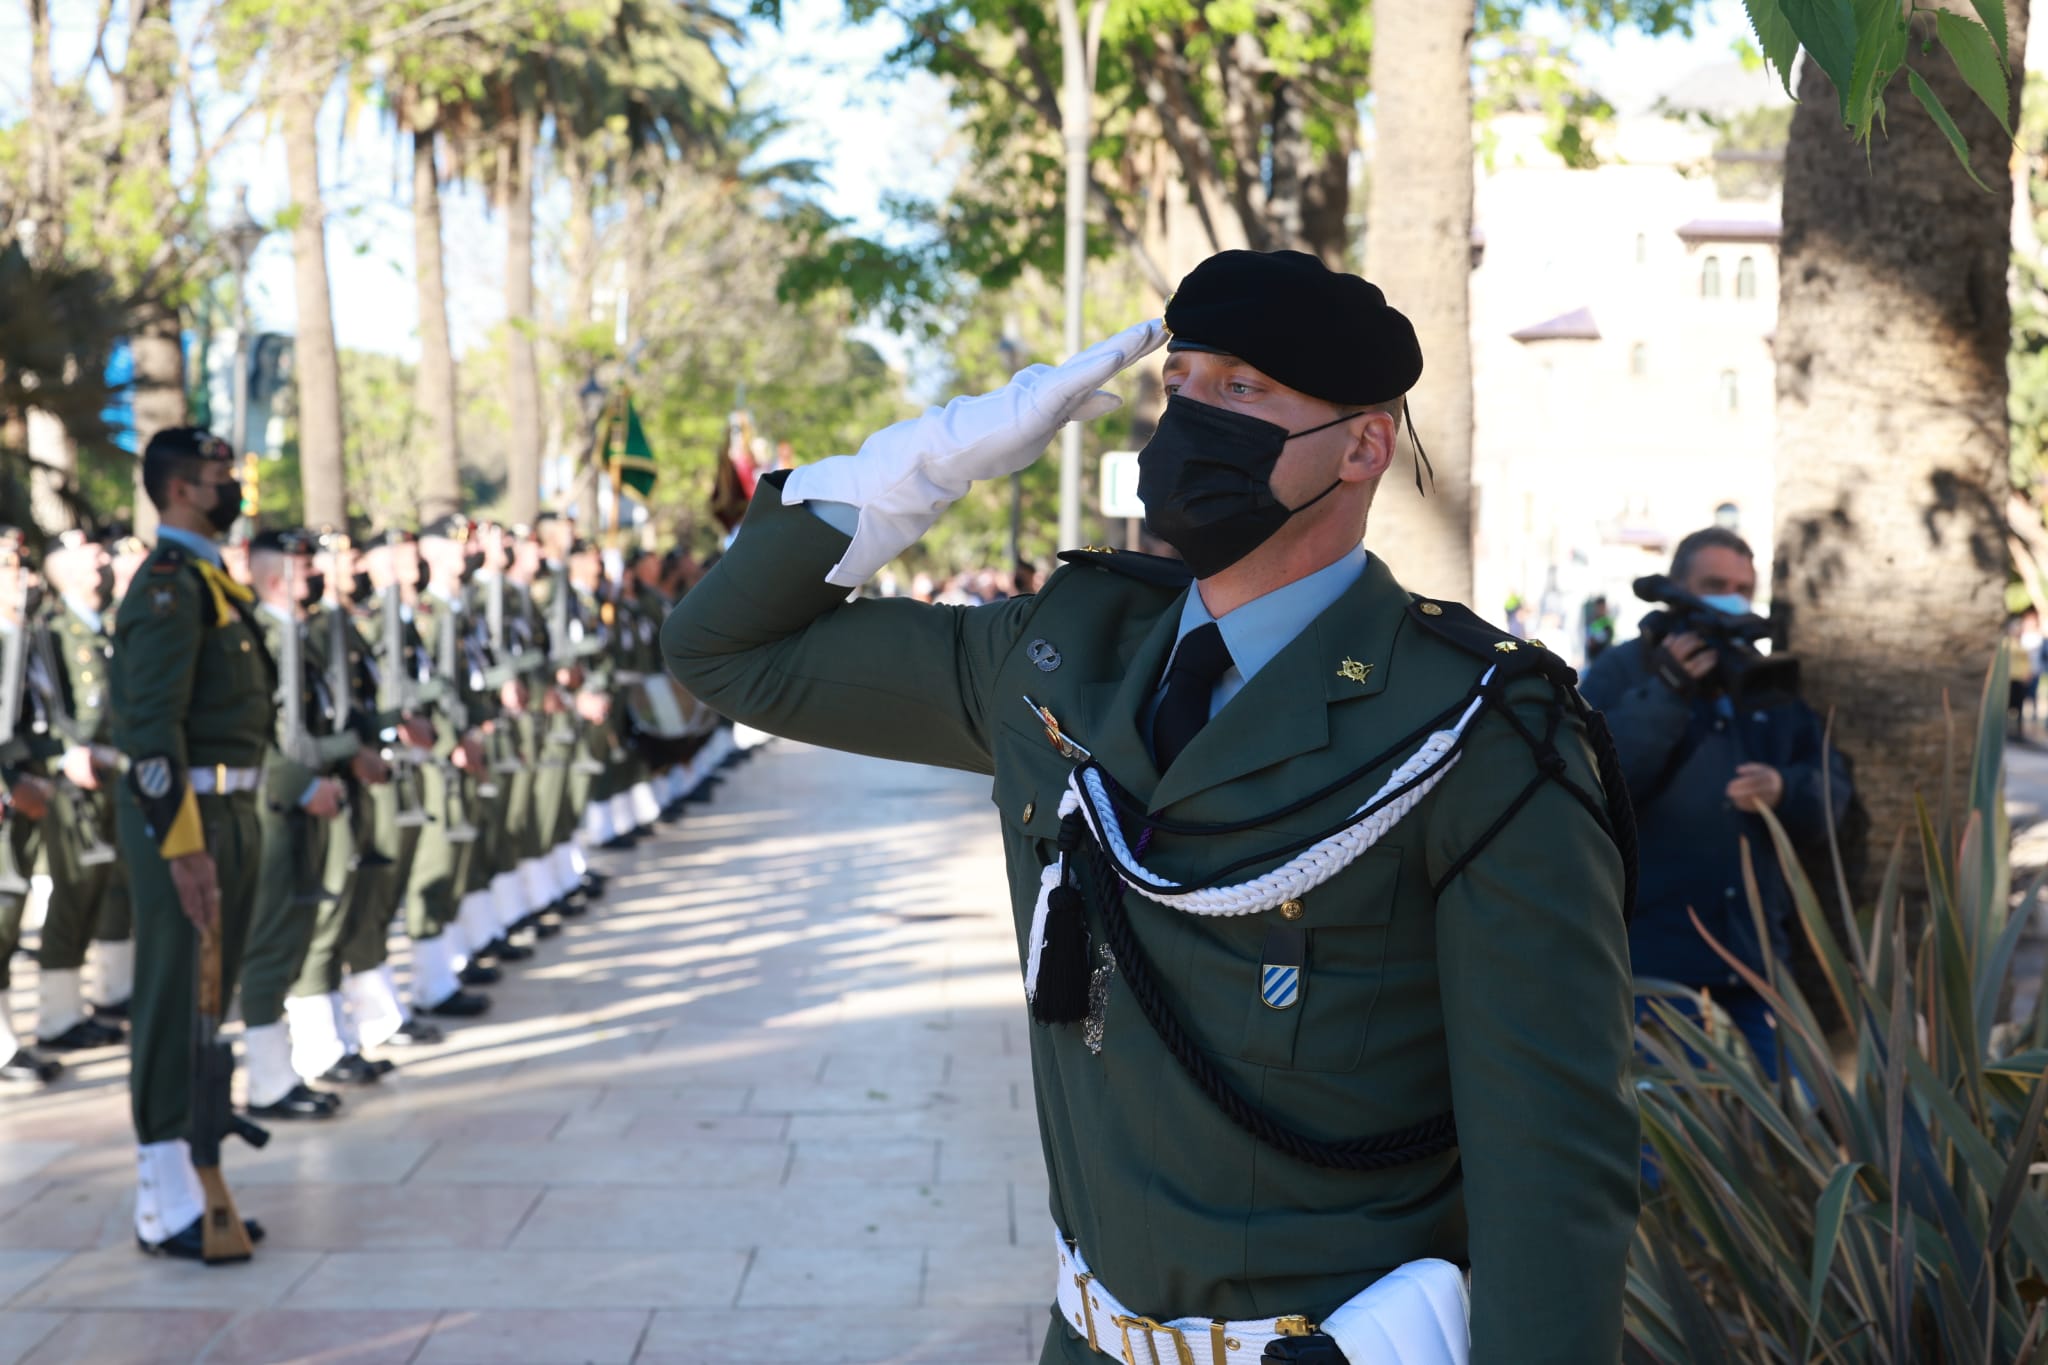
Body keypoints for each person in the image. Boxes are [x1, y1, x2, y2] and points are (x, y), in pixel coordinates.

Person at [666, 249, 1639, 1364]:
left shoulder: (1473, 731)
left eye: (1241, 388)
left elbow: (1550, 1163)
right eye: (1179, 384)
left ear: (1363, 446)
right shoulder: (1063, 649)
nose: (1189, 419)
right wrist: (924, 463)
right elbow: (725, 652)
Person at [1580, 526, 1852, 1077]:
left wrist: (1784, 789)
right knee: (1666, 1124)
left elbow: (1831, 790)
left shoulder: (1764, 678)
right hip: (1654, 973)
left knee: (1785, 1118)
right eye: (1714, 585)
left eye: (1742, 588)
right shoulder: (1624, 671)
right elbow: (1593, 782)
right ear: (1677, 589)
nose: (1731, 598)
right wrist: (1668, 689)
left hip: (1755, 968)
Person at [109, 426, 275, 1259]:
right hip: (188, 819)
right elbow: (150, 732)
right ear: (179, 490)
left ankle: (194, 1173)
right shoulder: (169, 588)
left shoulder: (210, 581)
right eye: (219, 477)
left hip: (229, 809)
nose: (233, 488)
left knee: (210, 996)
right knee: (175, 993)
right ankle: (162, 1193)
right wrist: (182, 847)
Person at [27, 529, 130, 1053]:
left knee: (103, 889)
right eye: (93, 560)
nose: (104, 565)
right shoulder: (50, 630)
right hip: (73, 779)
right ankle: (56, 1017)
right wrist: (66, 756)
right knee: (72, 896)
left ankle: (104, 994)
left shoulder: (101, 625)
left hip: (111, 772)